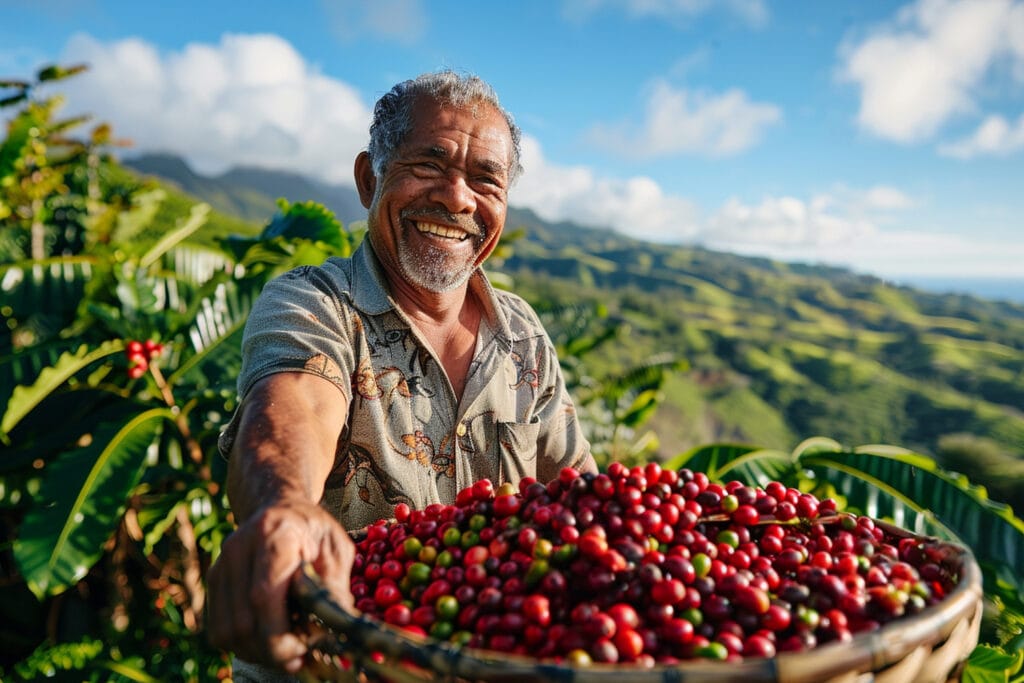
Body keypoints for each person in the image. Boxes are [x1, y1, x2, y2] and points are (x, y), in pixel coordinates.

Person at [205, 70, 597, 681]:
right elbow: (296, 406)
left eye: (485, 180)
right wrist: (282, 508)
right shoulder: (315, 303)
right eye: (429, 165)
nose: (458, 198)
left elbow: (583, 498)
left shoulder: (522, 334)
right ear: (369, 179)